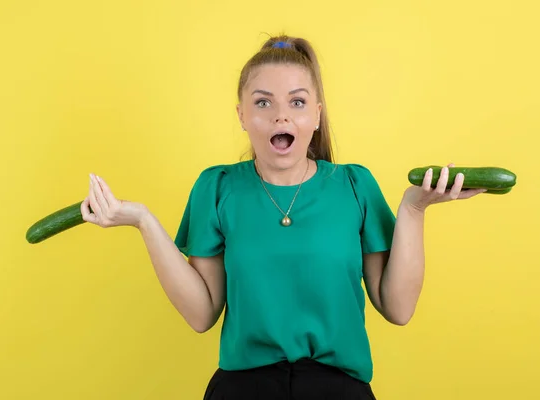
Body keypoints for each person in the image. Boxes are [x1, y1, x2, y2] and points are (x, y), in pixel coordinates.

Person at [82, 35, 485, 399]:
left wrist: (414, 208)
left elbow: (398, 308)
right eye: (263, 102)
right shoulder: (217, 188)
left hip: (338, 391)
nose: (281, 116)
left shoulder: (354, 186)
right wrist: (143, 221)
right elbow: (201, 314)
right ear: (241, 115)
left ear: (317, 115)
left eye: (297, 102)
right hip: (242, 391)